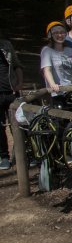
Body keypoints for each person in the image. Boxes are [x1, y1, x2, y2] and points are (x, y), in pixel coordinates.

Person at [0, 32, 23, 169]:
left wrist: (19, 83)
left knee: (19, 124)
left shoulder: (6, 45)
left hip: (10, 91)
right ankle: (4, 156)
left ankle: (24, 153)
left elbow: (16, 65)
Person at [40, 22, 72, 108]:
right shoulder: (47, 50)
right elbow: (46, 70)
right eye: (56, 33)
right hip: (58, 91)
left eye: (62, 32)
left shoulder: (70, 50)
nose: (60, 35)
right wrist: (53, 84)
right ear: (50, 35)